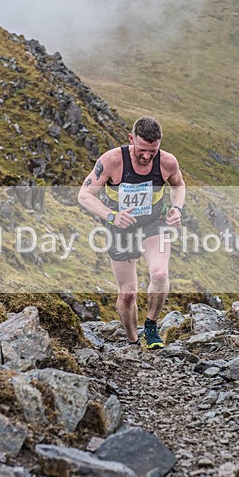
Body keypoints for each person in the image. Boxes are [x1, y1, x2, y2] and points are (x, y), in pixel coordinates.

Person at [77, 116, 185, 349]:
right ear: (131, 139)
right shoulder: (112, 160)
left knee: (159, 274)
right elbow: (84, 195)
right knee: (127, 295)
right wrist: (111, 215)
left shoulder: (167, 162)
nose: (147, 156)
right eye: (142, 150)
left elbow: (178, 185)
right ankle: (133, 341)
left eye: (153, 151)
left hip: (153, 224)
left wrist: (176, 208)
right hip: (120, 228)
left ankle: (151, 326)